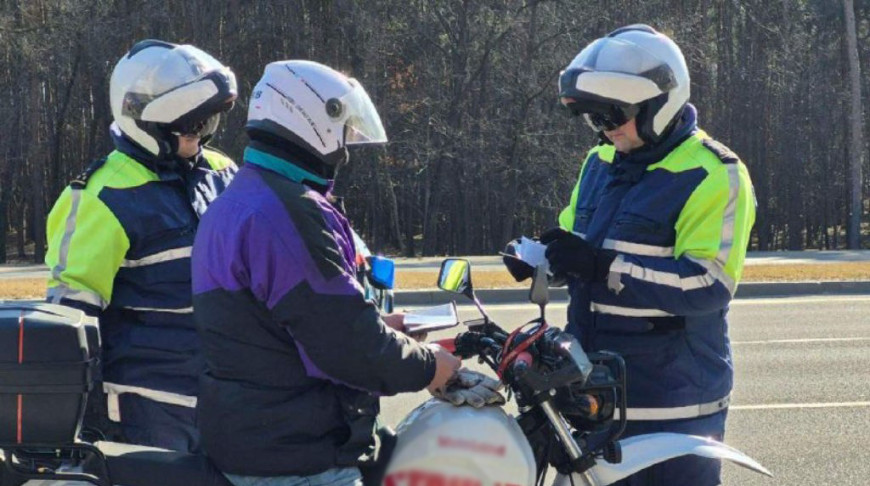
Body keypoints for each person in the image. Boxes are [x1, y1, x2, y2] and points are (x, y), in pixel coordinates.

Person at [191, 60, 499, 486]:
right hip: (295, 459)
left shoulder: (243, 197)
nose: (345, 150)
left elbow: (287, 326)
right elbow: (346, 344)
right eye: (342, 133)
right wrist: (431, 367)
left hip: (256, 441)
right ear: (310, 119)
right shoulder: (287, 211)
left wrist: (381, 328)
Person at [505, 25, 755, 485]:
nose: (605, 128)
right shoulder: (600, 163)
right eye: (594, 118)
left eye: (613, 114)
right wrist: (541, 256)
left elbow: (707, 285)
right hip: (596, 390)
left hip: (673, 403)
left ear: (662, 104)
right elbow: (576, 238)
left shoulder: (714, 174)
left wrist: (605, 268)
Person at [45, 39, 238, 452]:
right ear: (146, 121)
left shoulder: (223, 172)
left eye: (207, 124)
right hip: (148, 410)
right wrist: (87, 422)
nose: (201, 137)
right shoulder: (100, 196)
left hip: (230, 396)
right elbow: (72, 322)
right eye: (191, 126)